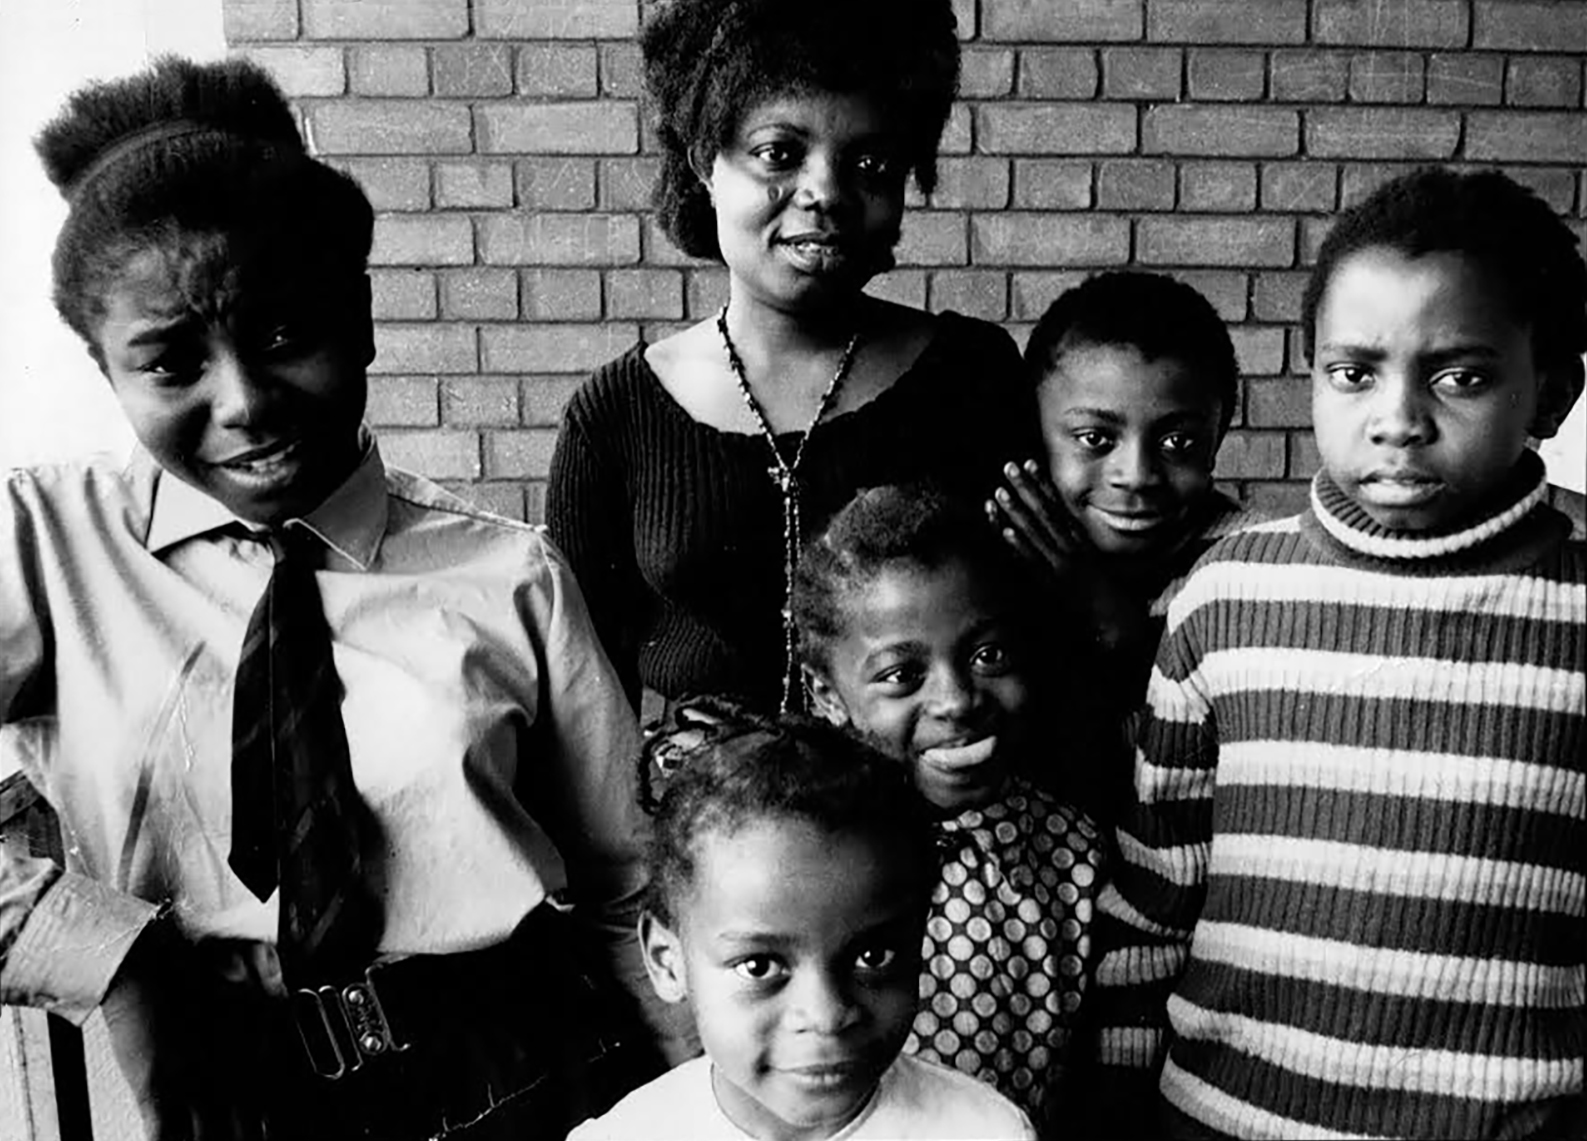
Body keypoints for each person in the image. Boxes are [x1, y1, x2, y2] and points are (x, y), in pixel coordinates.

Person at [0, 57, 674, 1140]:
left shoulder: (511, 576)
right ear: (105, 367)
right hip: (227, 1096)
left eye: (282, 335)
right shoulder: (41, 545)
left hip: (523, 1080)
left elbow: (628, 895)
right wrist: (105, 953)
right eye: (170, 363)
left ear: (358, 318)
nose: (244, 402)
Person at [1087, 166, 1587, 1139]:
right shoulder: (1227, 594)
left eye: (1460, 377)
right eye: (1353, 373)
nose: (1397, 419)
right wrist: (1114, 1103)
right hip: (1217, 1121)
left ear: (1553, 391)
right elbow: (1153, 895)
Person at [546, 0, 1036, 719]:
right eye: (779, 153)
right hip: (700, 789)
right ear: (704, 162)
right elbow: (582, 701)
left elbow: (1036, 631)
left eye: (869, 164)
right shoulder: (615, 415)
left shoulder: (972, 377)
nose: (825, 192)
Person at [570, 698, 1036, 1140]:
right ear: (667, 961)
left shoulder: (988, 1132)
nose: (826, 1014)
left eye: (873, 957)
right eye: (759, 966)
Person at [793, 484, 1103, 1132]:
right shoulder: (804, 863)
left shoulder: (1075, 852)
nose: (957, 699)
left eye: (987, 655)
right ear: (826, 695)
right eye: (902, 675)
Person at [984, 271, 1258, 823]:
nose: (1135, 475)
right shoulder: (1003, 550)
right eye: (1095, 439)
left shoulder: (1252, 570)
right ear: (1036, 431)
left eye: (1177, 441)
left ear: (1217, 440)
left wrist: (1106, 615)